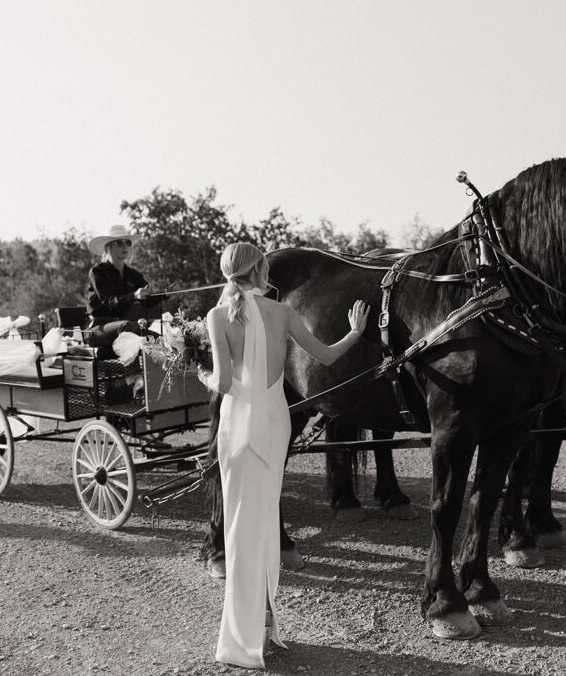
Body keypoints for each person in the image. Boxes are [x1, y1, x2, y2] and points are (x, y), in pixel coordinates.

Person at [203, 241, 368, 670]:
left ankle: (243, 636)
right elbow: (328, 355)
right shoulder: (283, 312)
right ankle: (265, 625)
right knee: (265, 521)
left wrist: (200, 371)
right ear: (260, 270)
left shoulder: (218, 316)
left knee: (241, 524)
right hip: (276, 421)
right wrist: (355, 331)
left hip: (238, 422)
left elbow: (222, 385)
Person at [85, 224, 164, 349]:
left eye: (127, 243)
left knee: (163, 328)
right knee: (127, 326)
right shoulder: (97, 272)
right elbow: (109, 303)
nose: (125, 246)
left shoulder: (133, 274)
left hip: (126, 325)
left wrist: (165, 293)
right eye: (119, 243)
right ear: (107, 248)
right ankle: (134, 369)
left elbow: (147, 300)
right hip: (97, 328)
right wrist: (134, 295)